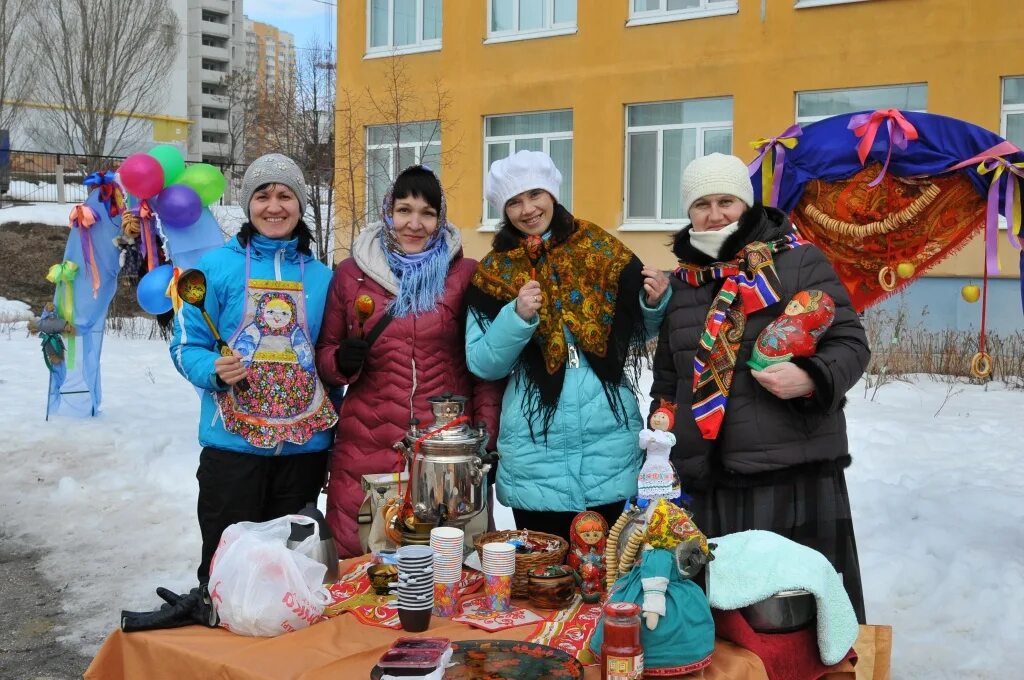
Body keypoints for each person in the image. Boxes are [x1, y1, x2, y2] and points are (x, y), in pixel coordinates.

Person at [650, 152, 869, 622]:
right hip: (709, 479)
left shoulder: (798, 261)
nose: (715, 214)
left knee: (794, 617)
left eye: (726, 200)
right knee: (728, 620)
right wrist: (660, 440)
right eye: (702, 204)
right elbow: (669, 377)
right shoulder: (684, 284)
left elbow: (851, 343)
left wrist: (811, 377)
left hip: (789, 473)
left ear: (746, 205)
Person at [465, 150, 671, 542]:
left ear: (552, 194)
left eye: (534, 195)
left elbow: (637, 332)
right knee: (544, 580)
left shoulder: (598, 247)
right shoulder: (494, 270)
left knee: (607, 571)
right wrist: (517, 317)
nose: (527, 210)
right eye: (514, 202)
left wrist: (654, 303)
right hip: (534, 446)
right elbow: (482, 363)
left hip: (607, 437)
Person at [315, 165, 500, 558]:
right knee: (366, 567)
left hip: (448, 451)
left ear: (440, 220)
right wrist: (343, 360)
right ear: (388, 212)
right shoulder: (352, 274)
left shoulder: (465, 275)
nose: (414, 223)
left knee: (453, 570)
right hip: (367, 444)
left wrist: (486, 440)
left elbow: (485, 368)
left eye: (427, 213)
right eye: (404, 210)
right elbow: (326, 360)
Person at [170, 153, 337, 585]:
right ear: (248, 205)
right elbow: (186, 344)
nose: (274, 206)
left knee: (290, 573)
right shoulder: (214, 269)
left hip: (303, 449)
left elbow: (328, 356)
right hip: (232, 448)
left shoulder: (321, 278)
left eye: (285, 195)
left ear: (300, 205)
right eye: (263, 196)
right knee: (226, 571)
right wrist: (213, 368)